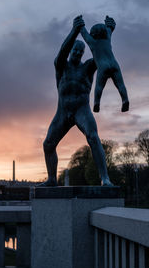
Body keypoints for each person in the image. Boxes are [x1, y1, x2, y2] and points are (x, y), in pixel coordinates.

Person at [41, 15, 114, 187]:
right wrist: (74, 31)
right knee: (48, 144)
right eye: (75, 51)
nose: (77, 54)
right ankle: (52, 179)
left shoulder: (88, 67)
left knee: (93, 137)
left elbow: (102, 52)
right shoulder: (61, 66)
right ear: (71, 50)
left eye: (80, 52)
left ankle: (105, 178)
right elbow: (62, 51)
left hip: (82, 110)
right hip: (63, 111)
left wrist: (109, 32)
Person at [81, 15, 129, 113]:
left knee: (99, 86)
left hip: (103, 66)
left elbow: (84, 33)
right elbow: (109, 29)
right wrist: (108, 23)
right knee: (120, 84)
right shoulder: (107, 39)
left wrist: (80, 23)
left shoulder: (92, 42)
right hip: (114, 64)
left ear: (93, 34)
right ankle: (125, 99)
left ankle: (96, 103)